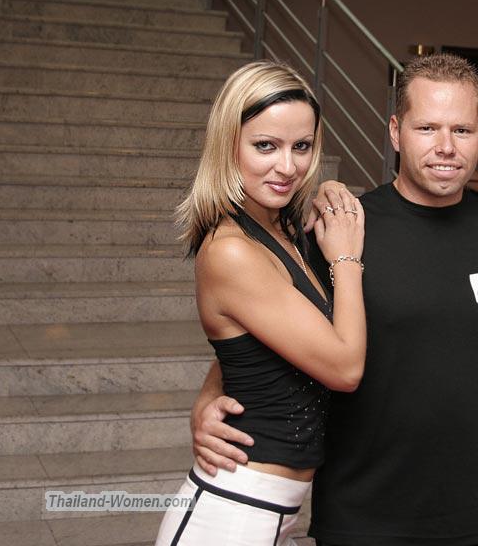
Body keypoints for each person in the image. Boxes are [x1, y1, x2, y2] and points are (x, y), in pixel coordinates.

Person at [189, 53, 478, 545]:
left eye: (462, 130)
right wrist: (210, 394)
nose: (446, 147)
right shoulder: (338, 229)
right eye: (427, 128)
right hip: (361, 517)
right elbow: (262, 328)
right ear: (396, 132)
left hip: (474, 515)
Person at [154, 61, 366, 545]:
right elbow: (345, 367)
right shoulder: (231, 250)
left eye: (302, 146)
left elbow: (252, 344)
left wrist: (329, 189)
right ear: (228, 144)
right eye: (265, 146)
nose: (287, 167)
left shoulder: (279, 228)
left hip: (268, 509)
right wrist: (346, 257)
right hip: (232, 511)